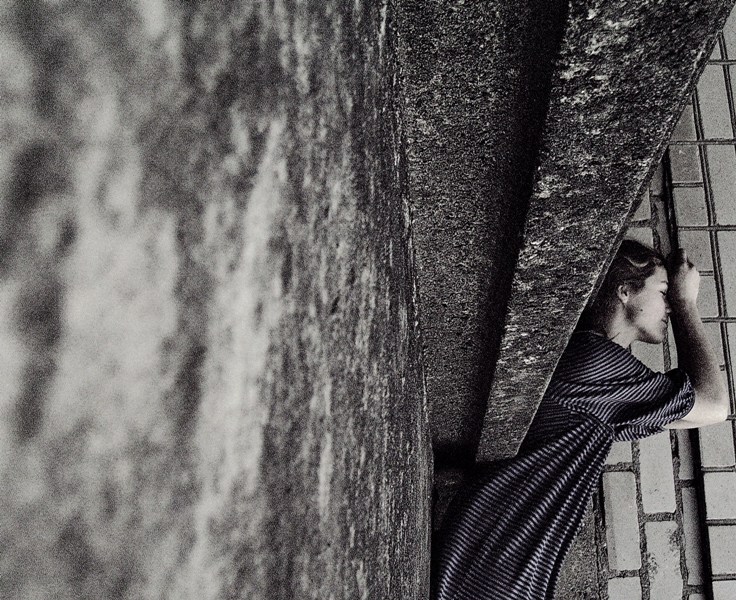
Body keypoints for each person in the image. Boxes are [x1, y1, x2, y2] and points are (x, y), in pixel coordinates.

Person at [432, 239, 729, 600]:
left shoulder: (601, 376)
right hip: (492, 564)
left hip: (495, 559)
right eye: (664, 292)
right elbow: (714, 404)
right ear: (624, 291)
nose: (669, 304)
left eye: (671, 296)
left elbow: (696, 412)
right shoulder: (597, 363)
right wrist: (686, 303)